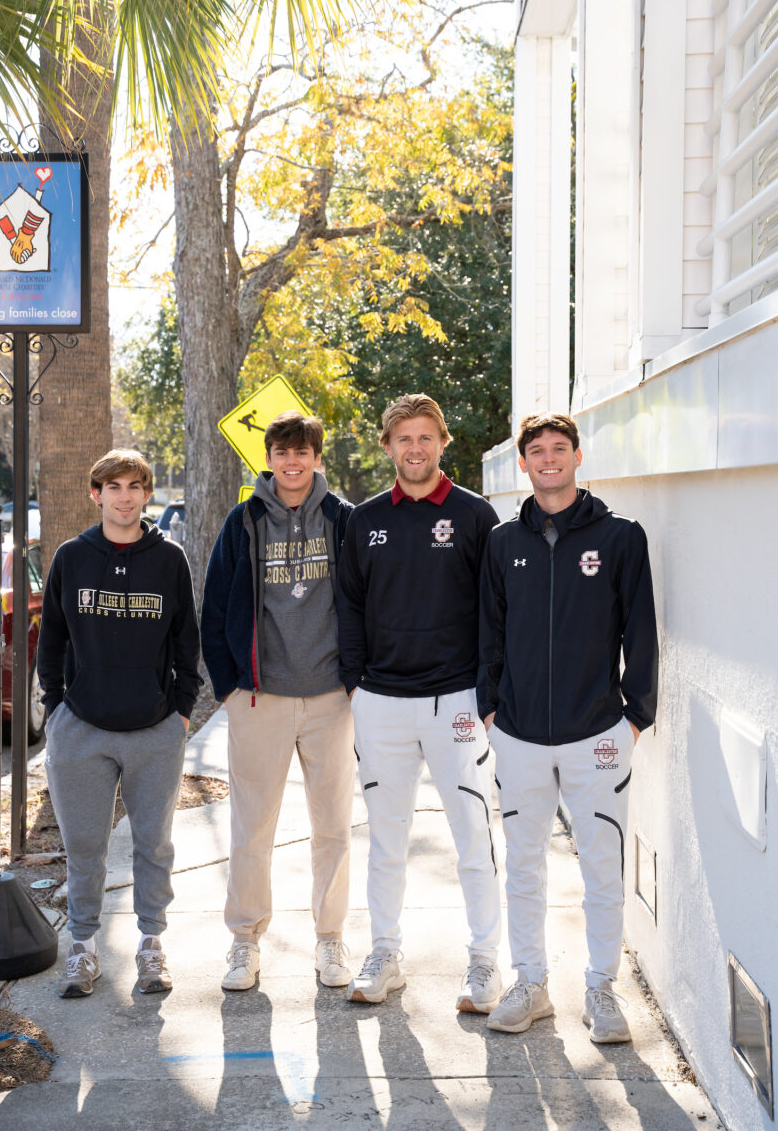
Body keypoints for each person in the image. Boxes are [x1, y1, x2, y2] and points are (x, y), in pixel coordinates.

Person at [480, 412, 658, 1043]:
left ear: (578, 457)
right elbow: (490, 634)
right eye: (537, 451)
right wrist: (490, 710)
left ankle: (601, 989)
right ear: (523, 464)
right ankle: (530, 984)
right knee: (523, 866)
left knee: (602, 868)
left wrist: (635, 716)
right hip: (519, 733)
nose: (548, 459)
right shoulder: (503, 543)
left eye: (559, 449)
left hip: (598, 734)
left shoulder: (619, 537)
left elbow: (640, 632)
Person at [337, 393, 503, 1012]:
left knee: (473, 836)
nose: (415, 448)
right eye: (403, 438)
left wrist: (486, 693)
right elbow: (349, 607)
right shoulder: (364, 520)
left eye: (425, 437)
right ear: (387, 446)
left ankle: (485, 961)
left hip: (456, 700)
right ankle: (385, 952)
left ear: (442, 443)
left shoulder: (474, 515)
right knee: (386, 838)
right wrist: (356, 683)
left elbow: (494, 610)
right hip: (380, 702)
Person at [201, 410, 355, 992]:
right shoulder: (243, 522)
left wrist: (354, 678)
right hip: (260, 699)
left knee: (333, 827)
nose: (292, 462)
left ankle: (331, 941)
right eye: (282, 452)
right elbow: (215, 608)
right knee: (252, 826)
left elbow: (363, 602)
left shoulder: (343, 521)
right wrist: (231, 690)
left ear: (317, 457)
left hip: (330, 698)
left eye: (302, 451)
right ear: (267, 459)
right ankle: (244, 942)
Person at [38, 449, 201, 998]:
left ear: (146, 494)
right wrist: (56, 708)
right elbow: (52, 638)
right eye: (114, 487)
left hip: (154, 730)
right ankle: (82, 949)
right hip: (81, 728)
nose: (125, 496)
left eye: (135, 486)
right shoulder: (71, 557)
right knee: (85, 847)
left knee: (154, 844)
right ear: (97, 494)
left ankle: (152, 946)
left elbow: (186, 642)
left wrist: (180, 711)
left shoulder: (168, 559)